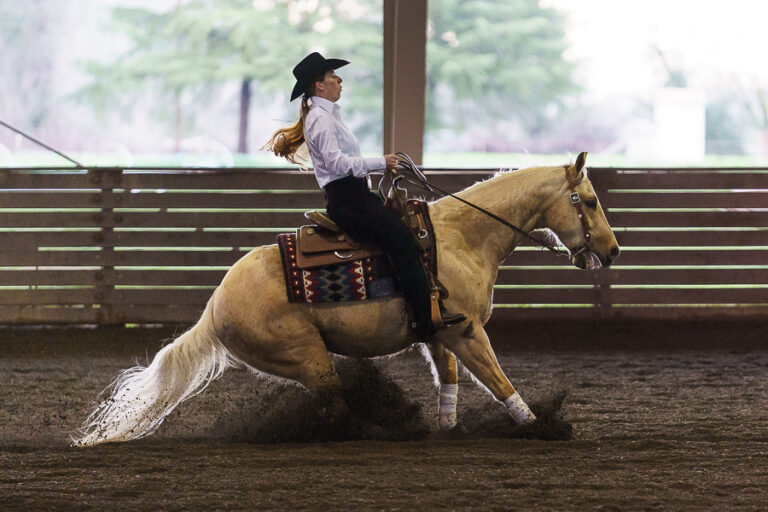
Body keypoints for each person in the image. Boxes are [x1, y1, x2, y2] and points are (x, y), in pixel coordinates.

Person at [264, 52, 465, 341]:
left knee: (403, 228)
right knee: (399, 237)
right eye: (333, 76)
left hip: (354, 195)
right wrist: (380, 162)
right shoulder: (321, 119)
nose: (339, 79)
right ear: (320, 86)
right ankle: (423, 319)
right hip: (348, 200)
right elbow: (337, 165)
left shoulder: (325, 115)